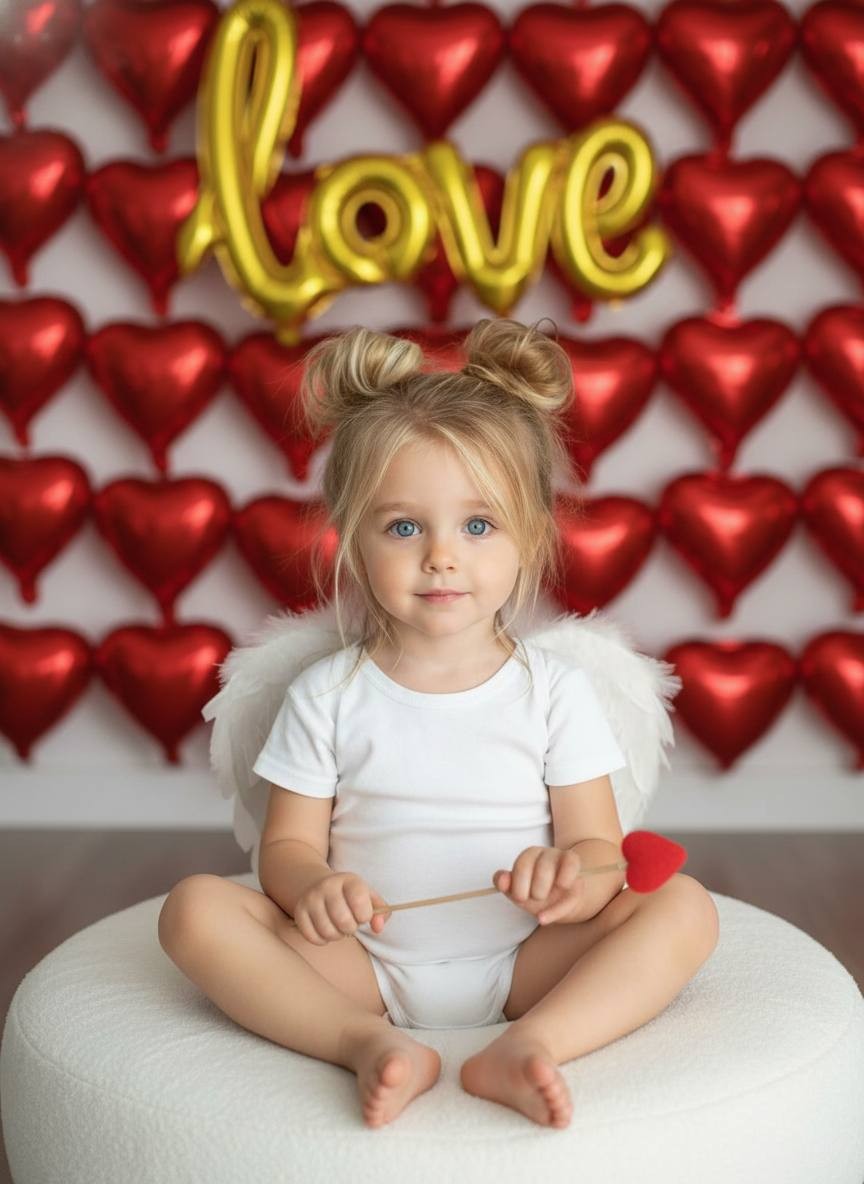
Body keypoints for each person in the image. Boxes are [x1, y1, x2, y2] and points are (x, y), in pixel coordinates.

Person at [158, 317, 719, 1132]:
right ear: (353, 539)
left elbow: (601, 852)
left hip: (527, 959)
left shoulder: (555, 692)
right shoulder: (327, 695)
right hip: (362, 964)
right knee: (194, 910)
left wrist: (569, 880)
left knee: (685, 909)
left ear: (529, 535)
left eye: (478, 525)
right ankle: (362, 1041)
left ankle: (531, 1045)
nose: (441, 556)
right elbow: (285, 850)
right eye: (404, 527)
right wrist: (314, 887)